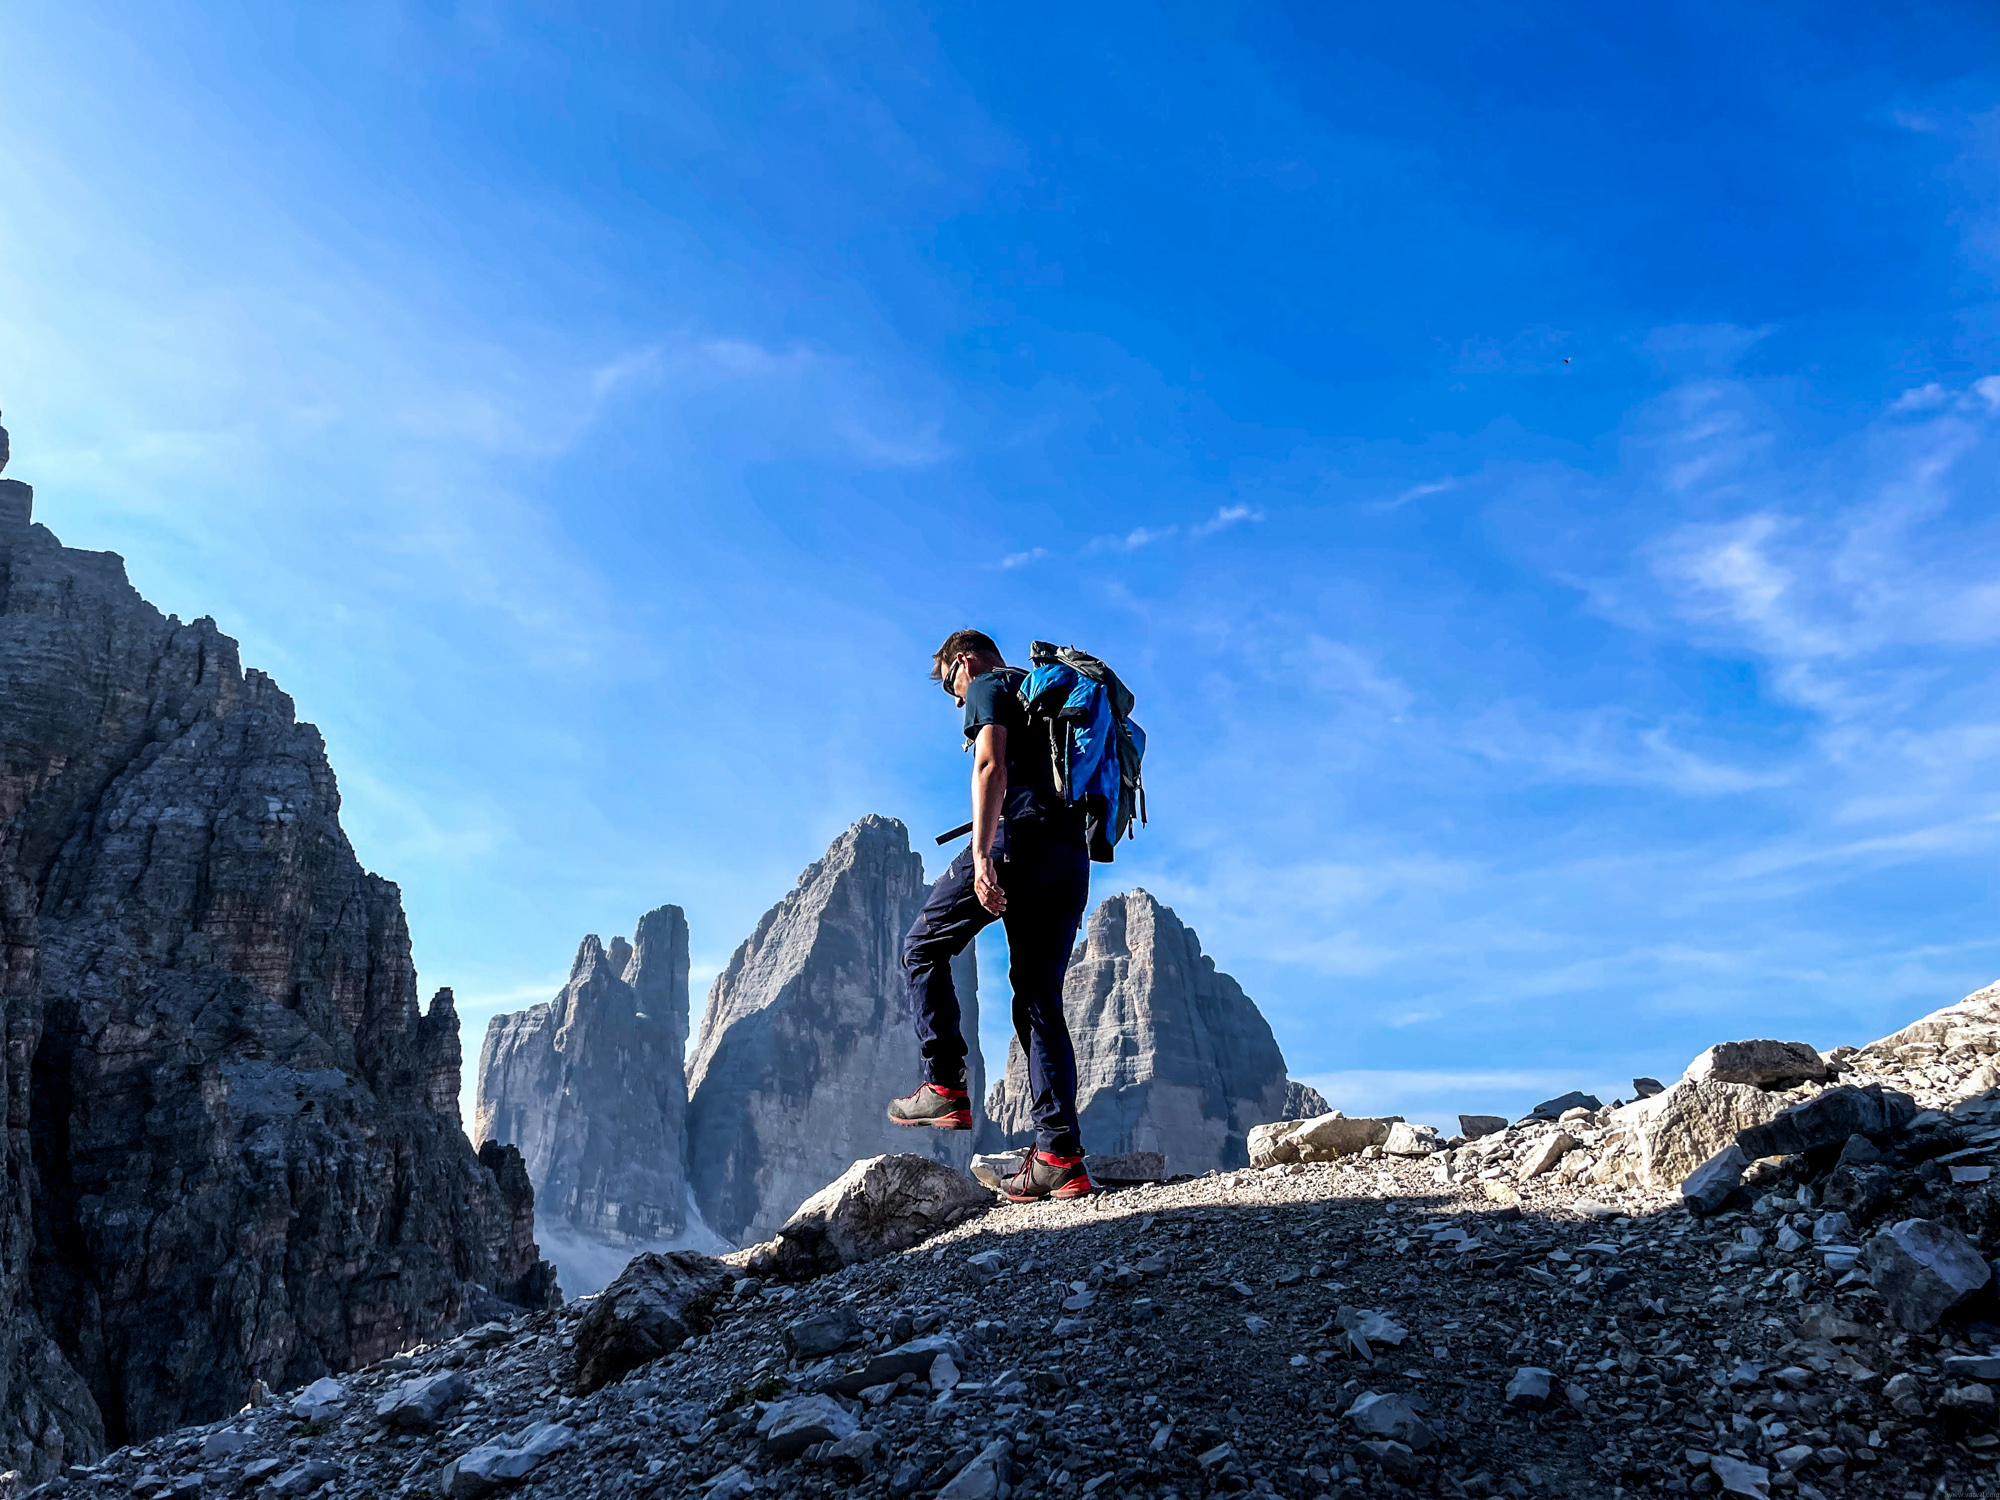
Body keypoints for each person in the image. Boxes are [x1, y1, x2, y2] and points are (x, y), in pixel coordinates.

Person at [888, 629, 1095, 1201]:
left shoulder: (989, 686)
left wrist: (982, 857)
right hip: (1070, 857)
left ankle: (944, 1085)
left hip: (1017, 840)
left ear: (963, 661)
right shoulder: (1044, 694)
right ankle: (1059, 1155)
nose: (956, 701)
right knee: (1037, 999)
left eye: (950, 686)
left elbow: (991, 767)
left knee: (921, 947)